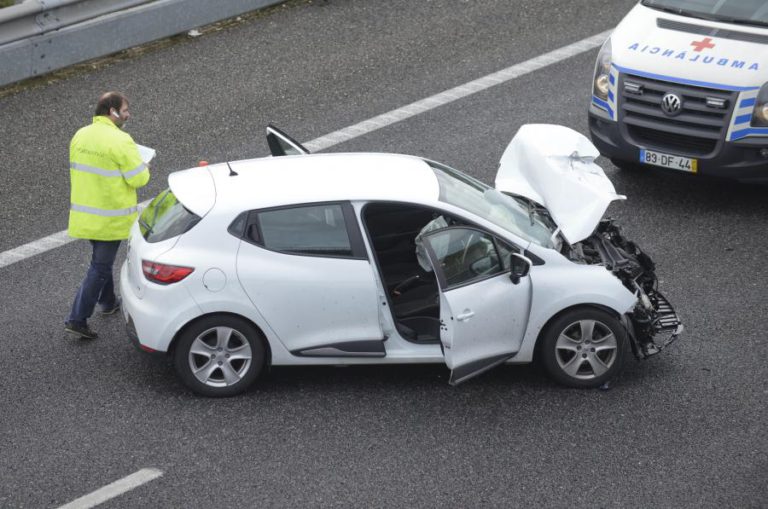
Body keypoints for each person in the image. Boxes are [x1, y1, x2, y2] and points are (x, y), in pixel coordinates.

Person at [64, 92, 150, 339]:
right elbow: (138, 178)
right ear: (112, 112)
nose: (128, 115)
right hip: (109, 217)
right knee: (99, 267)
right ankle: (77, 318)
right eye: (125, 110)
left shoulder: (80, 135)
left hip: (85, 214)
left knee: (100, 261)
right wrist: (144, 167)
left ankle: (108, 302)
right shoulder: (121, 140)